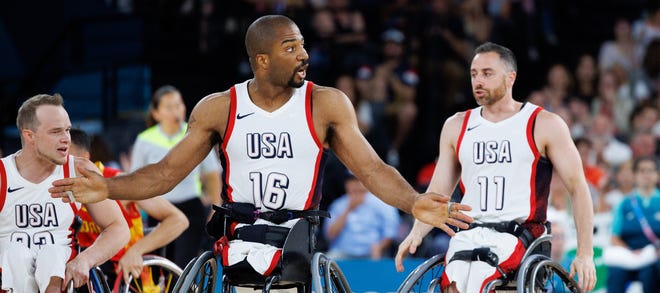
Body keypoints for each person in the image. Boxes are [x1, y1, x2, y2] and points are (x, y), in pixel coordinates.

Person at [48, 15, 472, 274]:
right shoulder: (218, 108)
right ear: (262, 60)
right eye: (292, 48)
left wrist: (413, 201)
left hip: (299, 236)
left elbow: (373, 170)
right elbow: (164, 174)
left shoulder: (326, 103)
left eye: (303, 44)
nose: (304, 54)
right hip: (237, 232)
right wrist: (108, 187)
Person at [395, 42, 597, 293]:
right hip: (472, 230)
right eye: (474, 74)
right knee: (456, 271)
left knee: (479, 271)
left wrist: (585, 252)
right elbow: (438, 191)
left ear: (510, 77)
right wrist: (416, 233)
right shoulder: (457, 125)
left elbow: (578, 187)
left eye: (487, 73)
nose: (478, 81)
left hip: (520, 233)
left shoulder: (543, 123)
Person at [0, 94, 129, 293]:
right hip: (10, 262)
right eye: (56, 131)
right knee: (16, 254)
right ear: (29, 136)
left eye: (68, 130)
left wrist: (86, 259)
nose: (66, 138)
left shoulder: (79, 171)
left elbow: (118, 227)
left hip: (60, 261)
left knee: (49, 255)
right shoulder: (2, 175)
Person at [69, 127, 189, 286]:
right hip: (84, 273)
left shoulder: (116, 182)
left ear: (84, 158)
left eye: (65, 156)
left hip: (124, 275)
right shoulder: (53, 188)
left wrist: (137, 251)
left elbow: (178, 220)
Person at [130, 85, 222, 269]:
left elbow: (212, 174)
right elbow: (135, 179)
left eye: (179, 105)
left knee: (184, 264)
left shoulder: (196, 134)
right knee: (160, 267)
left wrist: (216, 206)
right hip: (160, 209)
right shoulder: (145, 139)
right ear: (156, 113)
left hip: (191, 207)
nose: (176, 110)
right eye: (169, 107)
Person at [604, 156, 660, 293]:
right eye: (642, 171)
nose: (646, 175)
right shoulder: (625, 203)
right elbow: (614, 236)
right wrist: (629, 251)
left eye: (650, 170)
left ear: (656, 175)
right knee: (615, 273)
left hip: (653, 256)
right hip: (628, 255)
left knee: (650, 273)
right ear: (635, 175)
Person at [324, 174, 400, 259]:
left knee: (381, 260)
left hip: (371, 252)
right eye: (352, 181)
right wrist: (349, 209)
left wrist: (380, 246)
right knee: (328, 259)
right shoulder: (338, 205)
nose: (356, 184)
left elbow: (391, 233)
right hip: (343, 252)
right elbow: (330, 235)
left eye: (360, 180)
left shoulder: (382, 203)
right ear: (346, 184)